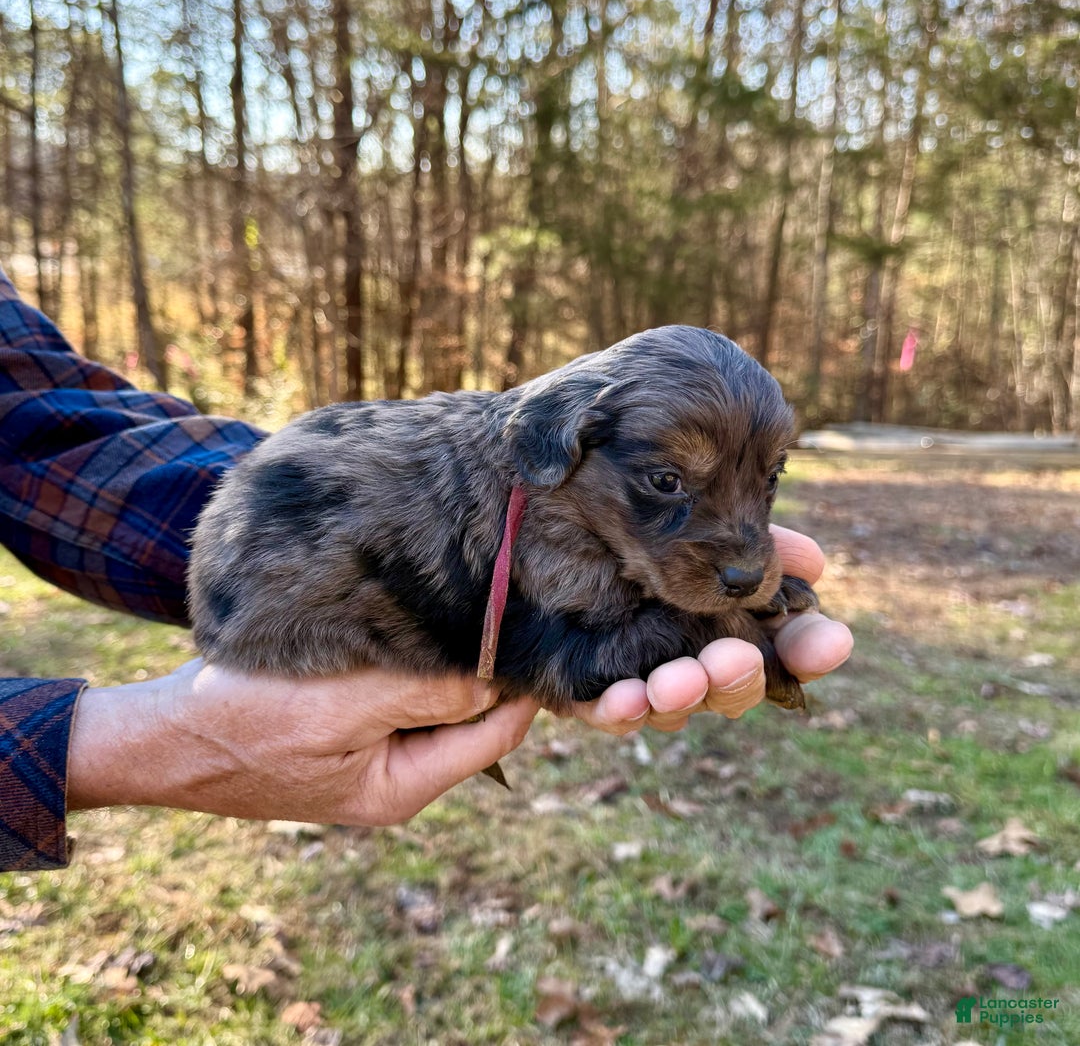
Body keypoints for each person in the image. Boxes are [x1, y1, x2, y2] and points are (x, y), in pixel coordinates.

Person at [0, 266, 853, 871]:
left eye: (766, 478)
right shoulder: (543, 505)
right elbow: (578, 653)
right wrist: (726, 620)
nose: (749, 550)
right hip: (287, 630)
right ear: (563, 439)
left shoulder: (566, 468)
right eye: (669, 483)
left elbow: (42, 423)